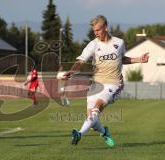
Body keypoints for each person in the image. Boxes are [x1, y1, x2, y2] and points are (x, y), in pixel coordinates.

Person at [63, 15, 149, 147]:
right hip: (96, 84)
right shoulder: (93, 44)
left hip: (114, 83)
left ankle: (79, 134)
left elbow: (122, 59)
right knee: (92, 122)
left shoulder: (119, 43)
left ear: (105, 28)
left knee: (96, 108)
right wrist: (72, 71)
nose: (96, 33)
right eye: (94, 31)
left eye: (98, 30)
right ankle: (104, 132)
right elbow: (81, 61)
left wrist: (139, 59)